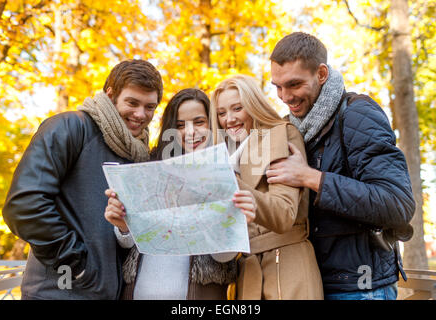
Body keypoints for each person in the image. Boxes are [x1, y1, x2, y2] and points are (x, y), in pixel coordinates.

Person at [266, 32, 416, 300]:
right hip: (313, 284)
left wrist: (312, 178)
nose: (285, 96)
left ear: (321, 74)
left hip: (361, 290)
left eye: (294, 84)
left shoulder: (358, 114)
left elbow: (398, 203)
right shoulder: (292, 129)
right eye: (278, 86)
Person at [2, 59, 163, 299]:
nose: (141, 114)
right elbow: (24, 206)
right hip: (56, 293)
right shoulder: (69, 127)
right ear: (110, 95)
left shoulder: (137, 153)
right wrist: (78, 265)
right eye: (132, 102)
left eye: (150, 107)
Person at [104, 88, 257, 300]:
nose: (190, 132)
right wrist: (122, 226)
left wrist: (231, 224)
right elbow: (129, 244)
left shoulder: (228, 173)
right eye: (180, 125)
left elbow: (224, 257)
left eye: (199, 121)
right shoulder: (148, 167)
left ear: (212, 123)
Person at [211, 75, 323, 300]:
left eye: (237, 108)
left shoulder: (280, 133)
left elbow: (283, 214)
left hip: (287, 265)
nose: (229, 119)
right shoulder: (223, 156)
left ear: (253, 105)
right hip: (247, 271)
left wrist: (227, 181)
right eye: (222, 113)